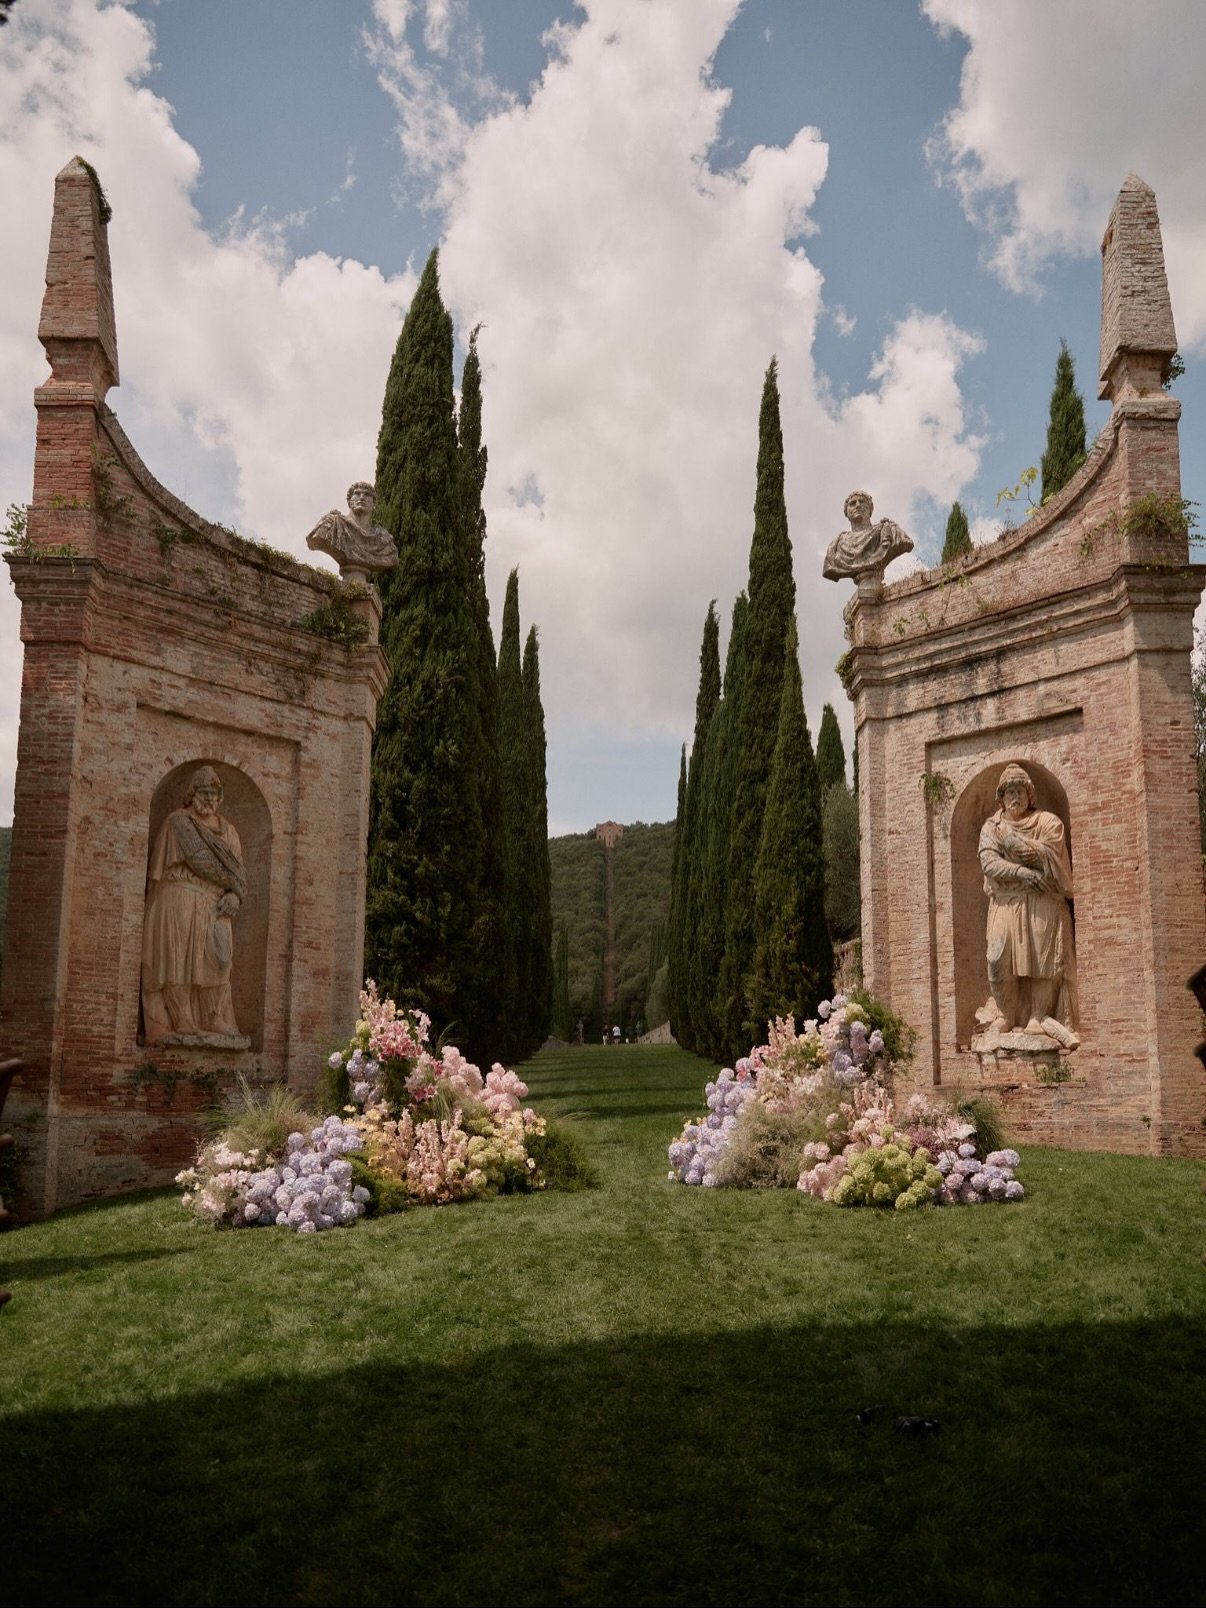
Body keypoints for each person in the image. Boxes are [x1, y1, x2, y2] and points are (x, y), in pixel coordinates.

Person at [141, 766, 247, 1043]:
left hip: (215, 904)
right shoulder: (178, 823)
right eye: (204, 792)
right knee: (177, 960)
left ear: (220, 797)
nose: (209, 798)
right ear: (192, 794)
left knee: (220, 959)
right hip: (178, 897)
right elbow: (191, 863)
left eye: (214, 793)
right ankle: (181, 1019)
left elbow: (238, 874)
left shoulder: (231, 832)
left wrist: (236, 895)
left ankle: (212, 1016)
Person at [978, 763, 1076, 1035]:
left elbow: (1048, 857)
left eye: (1020, 790)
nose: (1015, 796)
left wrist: (1011, 844)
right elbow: (989, 863)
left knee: (1041, 960)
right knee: (997, 958)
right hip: (1005, 902)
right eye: (1009, 791)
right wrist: (1022, 872)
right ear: (1001, 796)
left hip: (1042, 901)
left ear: (1030, 794)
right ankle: (1006, 1014)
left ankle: (1039, 1015)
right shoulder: (992, 827)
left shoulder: (1048, 822)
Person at [305, 481, 398, 582]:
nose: (362, 497)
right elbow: (314, 537)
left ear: (373, 504)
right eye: (357, 493)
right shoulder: (333, 524)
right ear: (349, 502)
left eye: (367, 494)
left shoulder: (383, 540)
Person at [822, 490, 913, 583]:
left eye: (862, 502)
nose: (857, 505)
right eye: (852, 503)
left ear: (870, 509)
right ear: (846, 513)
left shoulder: (888, 530)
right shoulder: (837, 544)